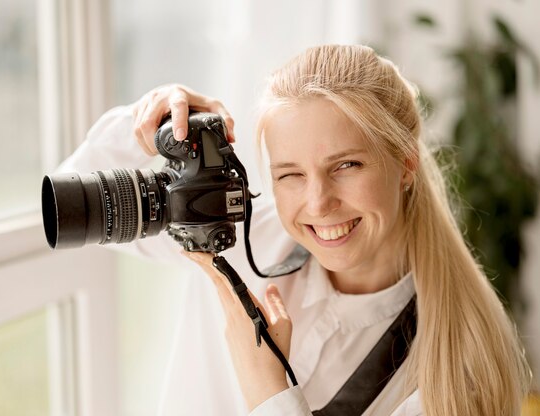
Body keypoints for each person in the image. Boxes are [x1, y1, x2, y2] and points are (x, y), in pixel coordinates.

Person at [57, 45, 531, 415]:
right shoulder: (232, 235)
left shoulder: (459, 367)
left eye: (346, 165)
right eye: (290, 174)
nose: (318, 202)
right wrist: (150, 120)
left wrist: (269, 393)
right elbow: (75, 203)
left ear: (405, 163)